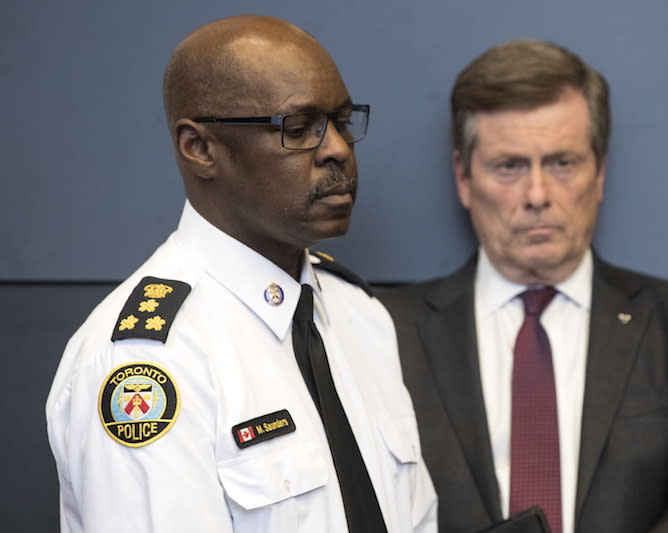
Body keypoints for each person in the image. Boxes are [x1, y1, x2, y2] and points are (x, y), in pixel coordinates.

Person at [46, 15, 436, 533]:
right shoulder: (149, 359)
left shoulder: (358, 315)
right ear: (200, 148)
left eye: (342, 121)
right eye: (298, 129)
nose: (339, 149)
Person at [378, 39, 668, 533]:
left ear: (599, 173)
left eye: (562, 163)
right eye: (509, 166)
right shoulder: (383, 331)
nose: (537, 195)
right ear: (464, 178)